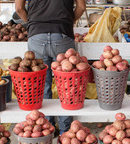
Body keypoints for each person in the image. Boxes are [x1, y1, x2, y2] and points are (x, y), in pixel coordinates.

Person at [15, 0, 86, 135]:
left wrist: (31, 24)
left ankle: (46, 128)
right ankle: (65, 131)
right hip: (62, 33)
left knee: (41, 85)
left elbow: (19, 8)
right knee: (67, 85)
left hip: (36, 35)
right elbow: (81, 7)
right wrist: (68, 21)